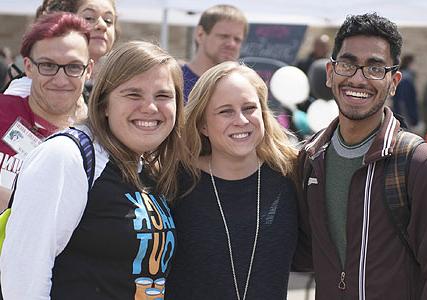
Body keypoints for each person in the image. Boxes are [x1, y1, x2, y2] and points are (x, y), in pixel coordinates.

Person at [294, 13, 427, 299]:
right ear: (330, 73)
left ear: (394, 81)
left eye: (375, 68)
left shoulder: (423, 165)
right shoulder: (311, 160)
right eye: (348, 65)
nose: (358, 78)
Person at [0, 40, 188, 299]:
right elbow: (23, 275)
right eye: (133, 94)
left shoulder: (144, 166)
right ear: (103, 104)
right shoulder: (66, 157)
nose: (150, 107)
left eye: (164, 96)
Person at [164, 61, 298, 299]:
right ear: (203, 124)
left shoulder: (291, 176)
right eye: (225, 111)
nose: (241, 120)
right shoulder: (172, 181)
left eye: (249, 108)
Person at [0, 12, 93, 211]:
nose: (60, 80)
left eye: (74, 67)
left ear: (88, 71)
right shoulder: (3, 110)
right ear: (28, 67)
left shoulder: (98, 142)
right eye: (48, 66)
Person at [4, 0, 117, 99]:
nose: (102, 25)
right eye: (89, 18)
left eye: (108, 20)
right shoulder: (26, 90)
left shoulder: (102, 90)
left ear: (89, 70)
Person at [181, 4, 248, 103]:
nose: (231, 44)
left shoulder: (244, 86)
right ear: (200, 34)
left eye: (237, 39)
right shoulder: (174, 81)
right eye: (224, 36)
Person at [391, 54, 419, 128]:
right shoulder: (406, 80)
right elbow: (403, 101)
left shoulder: (407, 78)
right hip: (405, 117)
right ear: (410, 64)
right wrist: (410, 118)